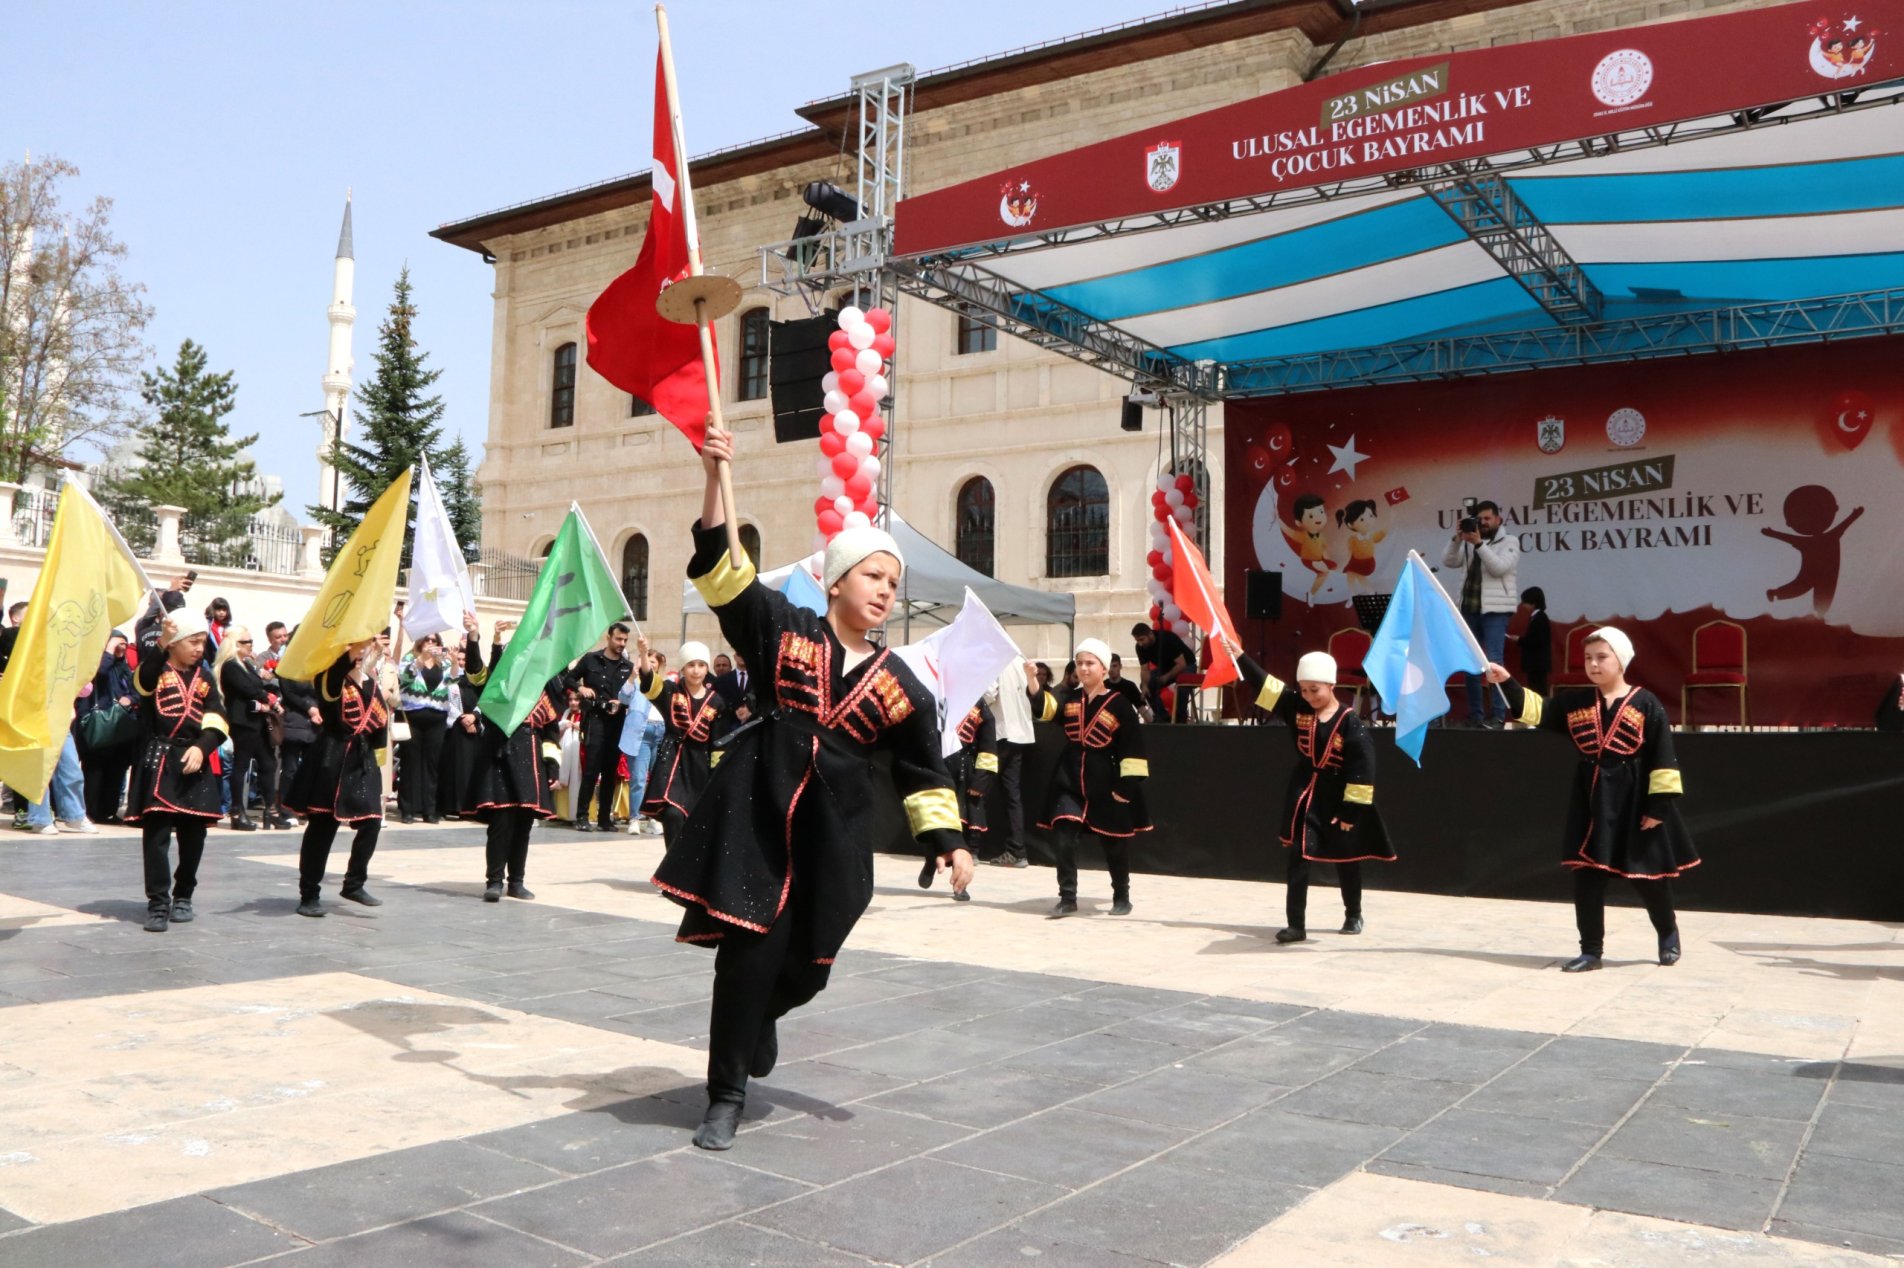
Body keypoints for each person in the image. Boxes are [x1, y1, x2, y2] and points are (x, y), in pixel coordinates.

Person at [654, 425, 971, 1152]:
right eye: (872, 577)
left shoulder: (902, 684)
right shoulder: (783, 629)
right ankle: (725, 1095)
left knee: (808, 971)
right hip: (758, 824)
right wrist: (712, 477)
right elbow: (721, 573)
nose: (885, 592)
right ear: (835, 581)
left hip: (834, 843)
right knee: (747, 958)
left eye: (893, 584)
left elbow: (925, 771)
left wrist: (949, 841)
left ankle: (766, 1015)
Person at [1485, 627, 1698, 972]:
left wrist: (1658, 807)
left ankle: (1667, 932)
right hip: (1592, 798)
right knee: (1587, 875)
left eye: (1602, 657)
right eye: (1588, 658)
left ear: (1621, 660)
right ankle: (1591, 951)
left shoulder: (1646, 703)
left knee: (1648, 876)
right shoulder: (1576, 702)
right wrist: (1507, 681)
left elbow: (1663, 755)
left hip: (1634, 799)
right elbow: (1537, 711)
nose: (1594, 664)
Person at [1229, 641, 1395, 942]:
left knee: (1346, 857)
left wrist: (1349, 812)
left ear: (1331, 685)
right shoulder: (1297, 707)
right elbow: (1265, 685)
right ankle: (1296, 925)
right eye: (1304, 689)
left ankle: (1353, 913)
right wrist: (1239, 655)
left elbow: (1362, 770)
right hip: (1305, 793)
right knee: (1298, 857)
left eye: (1314, 690)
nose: (1308, 696)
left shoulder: (1350, 723)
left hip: (1338, 796)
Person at [1028, 637, 1151, 917]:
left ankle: (1122, 895)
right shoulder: (1070, 699)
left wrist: (1126, 787)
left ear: (1104, 669)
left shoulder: (1120, 704)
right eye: (1079, 663)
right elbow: (1047, 709)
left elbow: (1133, 747)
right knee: (1063, 833)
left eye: (1089, 663)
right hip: (1068, 779)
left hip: (1106, 781)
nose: (1083, 668)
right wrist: (1032, 680)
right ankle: (1068, 897)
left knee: (1114, 841)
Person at [126, 608, 228, 932]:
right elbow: (142, 683)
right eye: (193, 642)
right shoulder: (157, 668)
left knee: (193, 835)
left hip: (194, 760)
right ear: (175, 643)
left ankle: (184, 895)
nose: (199, 648)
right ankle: (158, 903)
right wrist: (160, 644)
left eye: (201, 642)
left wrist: (203, 746)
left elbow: (218, 718)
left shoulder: (205, 677)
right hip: (160, 758)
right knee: (156, 837)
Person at [283, 637, 391, 917]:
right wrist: (348, 651)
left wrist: (380, 771)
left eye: (360, 648)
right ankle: (309, 894)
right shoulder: (329, 680)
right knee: (322, 828)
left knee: (372, 823)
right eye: (352, 649)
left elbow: (379, 728)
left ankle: (354, 884)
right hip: (331, 759)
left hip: (362, 760)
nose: (359, 652)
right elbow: (331, 688)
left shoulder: (371, 682)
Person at [462, 626, 563, 901]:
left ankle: (516, 881)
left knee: (524, 824)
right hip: (499, 759)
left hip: (530, 762)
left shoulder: (539, 692)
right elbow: (475, 672)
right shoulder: (497, 687)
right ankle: (494, 881)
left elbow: (551, 732)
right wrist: (477, 638)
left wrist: (552, 767)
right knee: (501, 822)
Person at [636, 637, 727, 850]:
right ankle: (670, 873)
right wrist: (643, 653)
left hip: (699, 769)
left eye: (701, 665)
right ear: (683, 668)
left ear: (707, 669)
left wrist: (717, 778)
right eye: (691, 665)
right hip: (672, 764)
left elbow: (718, 744)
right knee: (672, 814)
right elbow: (649, 683)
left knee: (693, 821)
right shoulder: (670, 691)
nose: (696, 670)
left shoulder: (717, 702)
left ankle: (686, 874)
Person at [1441, 500, 1520, 728]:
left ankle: (1497, 716)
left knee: (1494, 663)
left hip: (1496, 611)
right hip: (1469, 609)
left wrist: (1479, 545)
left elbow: (1499, 567)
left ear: (1498, 520)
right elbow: (1448, 561)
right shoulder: (1469, 542)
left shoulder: (1509, 541)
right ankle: (1475, 716)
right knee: (1471, 664)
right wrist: (1457, 539)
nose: (1483, 523)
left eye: (1487, 519)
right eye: (1480, 519)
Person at [214, 626, 290, 831]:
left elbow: (257, 685)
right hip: (243, 722)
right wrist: (267, 699)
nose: (251, 645)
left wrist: (264, 694)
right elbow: (249, 689)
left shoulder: (246, 664)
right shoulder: (230, 665)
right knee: (241, 765)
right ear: (236, 644)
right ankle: (237, 811)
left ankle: (271, 811)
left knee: (268, 764)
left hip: (258, 721)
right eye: (247, 642)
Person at [565, 623, 635, 832]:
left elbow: (632, 693)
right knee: (592, 769)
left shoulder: (628, 667)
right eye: (618, 639)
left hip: (617, 721)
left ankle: (605, 818)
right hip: (595, 719)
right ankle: (582, 816)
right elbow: (568, 678)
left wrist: (621, 704)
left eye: (624, 640)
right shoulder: (591, 659)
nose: (621, 644)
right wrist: (581, 687)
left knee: (610, 771)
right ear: (609, 637)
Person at [79, 631, 139, 825]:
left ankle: (109, 811)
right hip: (99, 725)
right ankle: (92, 810)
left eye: (124, 644)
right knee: (95, 770)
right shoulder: (98, 664)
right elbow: (100, 673)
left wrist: (129, 699)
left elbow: (136, 690)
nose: (121, 648)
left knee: (117, 770)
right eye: (117, 644)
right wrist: (109, 651)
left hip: (119, 728)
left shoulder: (124, 668)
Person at [397, 632, 456, 823]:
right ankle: (408, 808)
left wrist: (454, 662)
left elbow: (454, 682)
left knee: (432, 764)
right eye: (427, 640)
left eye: (434, 641)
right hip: (413, 715)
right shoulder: (410, 658)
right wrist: (421, 659)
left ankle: (429, 809)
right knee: (410, 762)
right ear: (420, 643)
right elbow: (405, 677)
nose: (431, 643)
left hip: (437, 716)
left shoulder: (443, 662)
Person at [986, 660, 1036, 869]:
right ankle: (1017, 850)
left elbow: (989, 695)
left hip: (1001, 732)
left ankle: (970, 847)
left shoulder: (994, 662)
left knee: (978, 786)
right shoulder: (1019, 658)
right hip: (1020, 733)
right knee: (1012, 794)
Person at [946, 701, 997, 901]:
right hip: (941, 768)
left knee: (965, 828)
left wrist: (981, 778)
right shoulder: (940, 697)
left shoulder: (981, 708)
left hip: (965, 771)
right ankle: (931, 862)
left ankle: (960, 884)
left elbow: (988, 747)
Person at [616, 665, 666, 836]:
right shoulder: (636, 683)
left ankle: (654, 818)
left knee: (657, 779)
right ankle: (635, 818)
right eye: (648, 661)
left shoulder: (663, 684)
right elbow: (623, 697)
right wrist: (631, 677)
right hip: (641, 734)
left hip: (660, 731)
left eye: (655, 663)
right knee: (638, 778)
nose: (650, 665)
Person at [1132, 622, 1194, 723]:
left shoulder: (1167, 639)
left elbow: (1182, 664)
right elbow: (1144, 669)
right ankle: (1163, 718)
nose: (1140, 643)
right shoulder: (1140, 647)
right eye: (1137, 640)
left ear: (1150, 634)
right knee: (1148, 686)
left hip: (1187, 664)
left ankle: (1181, 719)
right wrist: (1144, 685)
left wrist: (1166, 677)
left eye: (1142, 639)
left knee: (1182, 685)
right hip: (1167, 667)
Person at [1513, 587, 1553, 697]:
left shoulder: (1540, 618)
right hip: (1536, 663)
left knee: (1538, 690)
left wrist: (1519, 640)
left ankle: (1543, 712)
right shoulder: (1536, 617)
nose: (1523, 605)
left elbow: (1536, 641)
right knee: (1536, 689)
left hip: (1537, 663)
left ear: (1533, 603)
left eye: (1525, 602)